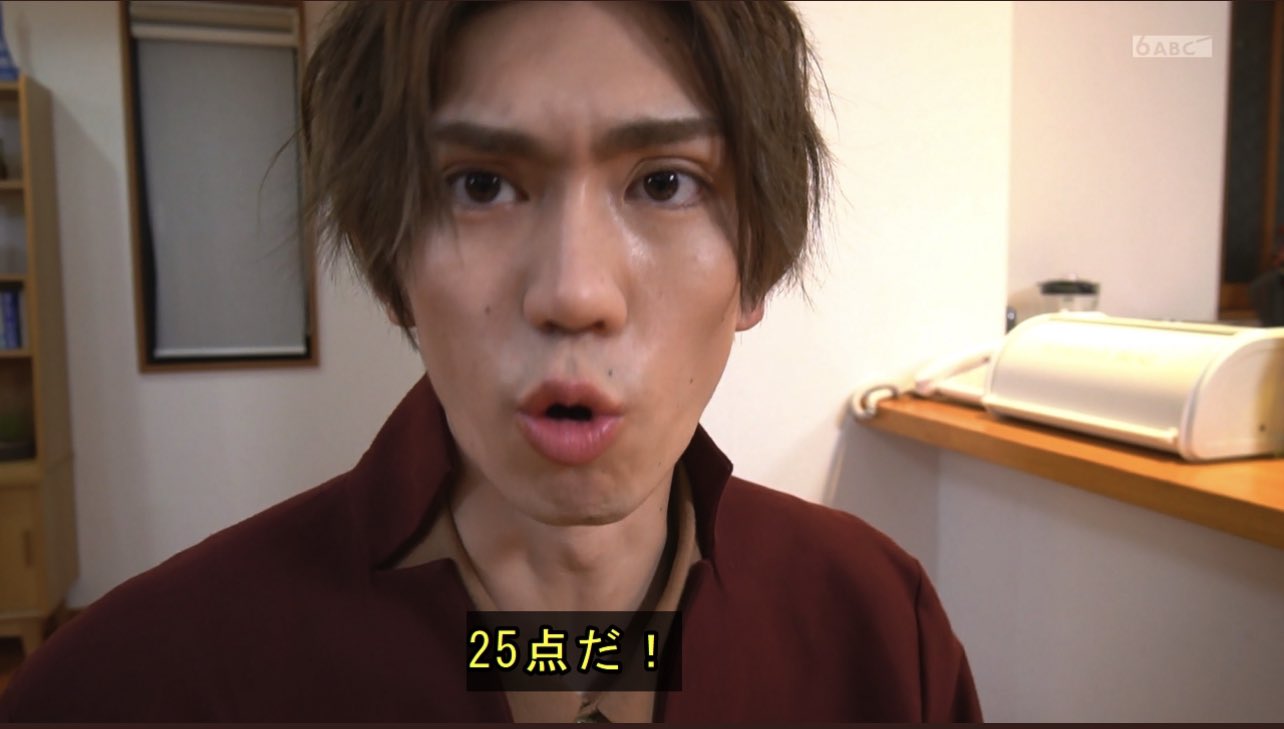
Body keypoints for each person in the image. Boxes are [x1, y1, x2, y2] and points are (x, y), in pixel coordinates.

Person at [0, 1, 981, 722]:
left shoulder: (879, 634)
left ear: (754, 265)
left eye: (665, 183)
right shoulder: (133, 686)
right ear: (391, 265)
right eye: (480, 186)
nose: (575, 292)